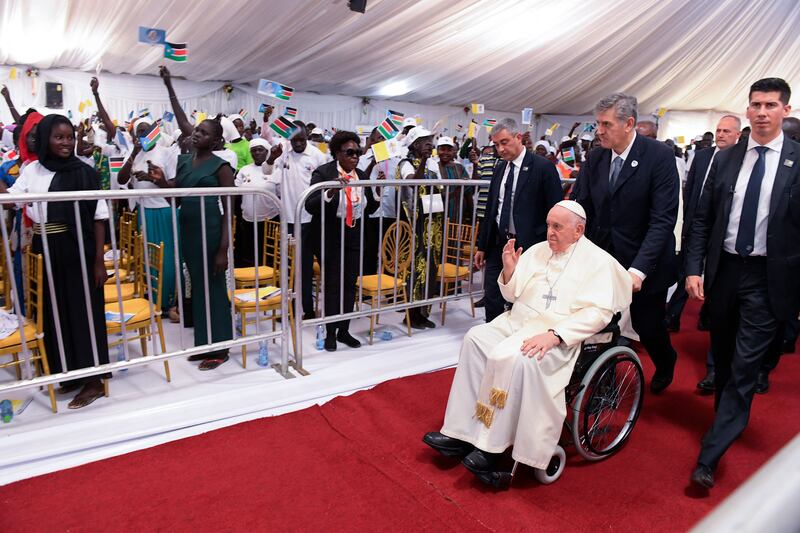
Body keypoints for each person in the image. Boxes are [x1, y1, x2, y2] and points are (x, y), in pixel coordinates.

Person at [423, 201, 632, 481]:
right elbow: (512, 295)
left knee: (519, 359)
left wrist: (555, 335)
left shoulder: (598, 262)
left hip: (557, 337)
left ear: (578, 229)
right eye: (548, 225)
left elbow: (598, 313)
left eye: (557, 226)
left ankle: (493, 448)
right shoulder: (537, 251)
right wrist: (510, 271)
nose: (550, 232)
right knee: (475, 339)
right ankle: (461, 432)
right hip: (516, 323)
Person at [686, 78, 800, 490]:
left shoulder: (797, 160)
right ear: (747, 110)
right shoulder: (728, 158)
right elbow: (703, 217)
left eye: (771, 105)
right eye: (756, 104)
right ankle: (722, 426)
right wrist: (693, 268)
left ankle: (709, 456)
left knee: (745, 364)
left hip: (769, 278)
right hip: (725, 272)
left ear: (785, 111)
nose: (762, 112)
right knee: (724, 354)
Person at [2, 114, 110, 409]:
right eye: (59, 137)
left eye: (70, 137)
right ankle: (71, 373)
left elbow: (100, 217)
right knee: (55, 311)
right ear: (46, 139)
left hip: (76, 248)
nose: (66, 143)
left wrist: (99, 261)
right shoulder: (32, 169)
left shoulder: (85, 172)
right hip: (43, 244)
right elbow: (12, 199)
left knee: (82, 311)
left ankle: (94, 381)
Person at [575, 93, 679, 394]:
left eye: (606, 124)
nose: (599, 130)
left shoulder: (658, 157)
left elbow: (662, 220)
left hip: (646, 262)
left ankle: (666, 360)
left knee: (648, 327)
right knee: (599, 325)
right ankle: (602, 381)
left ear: (628, 123)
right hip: (604, 258)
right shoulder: (595, 157)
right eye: (598, 123)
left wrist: (639, 270)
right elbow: (583, 206)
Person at [151, 118, 235, 370]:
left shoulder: (221, 167)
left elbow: (229, 210)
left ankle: (220, 348)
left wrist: (223, 249)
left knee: (215, 288)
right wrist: (161, 181)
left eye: (204, 132)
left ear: (216, 141)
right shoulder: (185, 161)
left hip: (210, 231)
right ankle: (204, 343)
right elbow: (174, 191)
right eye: (197, 130)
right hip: (188, 230)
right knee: (197, 287)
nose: (197, 134)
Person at [665, 115, 741, 390]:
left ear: (737, 135)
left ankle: (713, 359)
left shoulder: (739, 160)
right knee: (687, 270)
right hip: (695, 225)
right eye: (718, 130)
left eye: (726, 131)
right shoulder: (702, 156)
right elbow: (690, 189)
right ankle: (672, 315)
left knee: (716, 282)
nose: (720, 135)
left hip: (723, 234)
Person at [474, 118, 562, 323]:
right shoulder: (499, 168)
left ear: (518, 137)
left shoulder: (542, 167)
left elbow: (556, 209)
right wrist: (482, 246)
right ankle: (492, 335)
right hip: (499, 243)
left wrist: (552, 245)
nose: (500, 149)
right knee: (493, 294)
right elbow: (491, 209)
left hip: (530, 245)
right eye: (496, 144)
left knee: (523, 297)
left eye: (504, 142)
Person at [305, 131, 378, 351]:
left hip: (355, 232)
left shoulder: (362, 175)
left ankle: (344, 330)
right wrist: (329, 191)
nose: (355, 156)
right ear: (337, 153)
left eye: (357, 152)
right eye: (350, 152)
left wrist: (375, 193)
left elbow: (370, 208)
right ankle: (329, 333)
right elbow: (310, 204)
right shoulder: (323, 172)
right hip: (331, 234)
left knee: (349, 283)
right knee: (333, 285)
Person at [264, 122, 327, 319]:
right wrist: (271, 158)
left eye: (301, 139)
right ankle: (290, 308)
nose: (298, 143)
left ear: (307, 135)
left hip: (310, 220)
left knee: (305, 267)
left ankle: (307, 310)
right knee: (288, 267)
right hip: (288, 219)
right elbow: (268, 173)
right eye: (294, 139)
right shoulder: (284, 152)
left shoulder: (317, 155)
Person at [117, 116, 179, 314]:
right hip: (144, 211)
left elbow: (174, 185)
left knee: (166, 259)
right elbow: (121, 178)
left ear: (155, 131)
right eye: (139, 132)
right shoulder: (134, 154)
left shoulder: (166, 153)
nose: (143, 135)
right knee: (148, 258)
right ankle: (152, 299)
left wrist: (155, 180)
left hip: (163, 211)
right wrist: (134, 153)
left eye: (147, 130)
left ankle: (168, 302)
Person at [396, 126, 443, 329]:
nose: (429, 144)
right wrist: (423, 161)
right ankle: (410, 314)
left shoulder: (433, 163)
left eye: (430, 140)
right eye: (425, 140)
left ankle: (423, 312)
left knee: (431, 268)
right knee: (415, 268)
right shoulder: (405, 163)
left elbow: (440, 188)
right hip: (414, 221)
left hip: (433, 223)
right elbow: (412, 183)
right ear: (415, 144)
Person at [234, 137, 279, 267]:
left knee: (267, 255)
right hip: (247, 220)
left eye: (260, 150)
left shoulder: (275, 169)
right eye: (254, 150)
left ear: (267, 152)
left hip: (269, 220)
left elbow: (281, 194)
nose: (257, 153)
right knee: (248, 254)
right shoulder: (245, 170)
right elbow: (236, 191)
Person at [436, 136, 472, 222]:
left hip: (458, 216)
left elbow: (468, 193)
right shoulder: (433, 168)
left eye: (449, 150)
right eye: (442, 149)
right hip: (438, 218)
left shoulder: (460, 168)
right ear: (437, 150)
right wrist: (454, 193)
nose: (446, 152)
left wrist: (472, 215)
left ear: (453, 152)